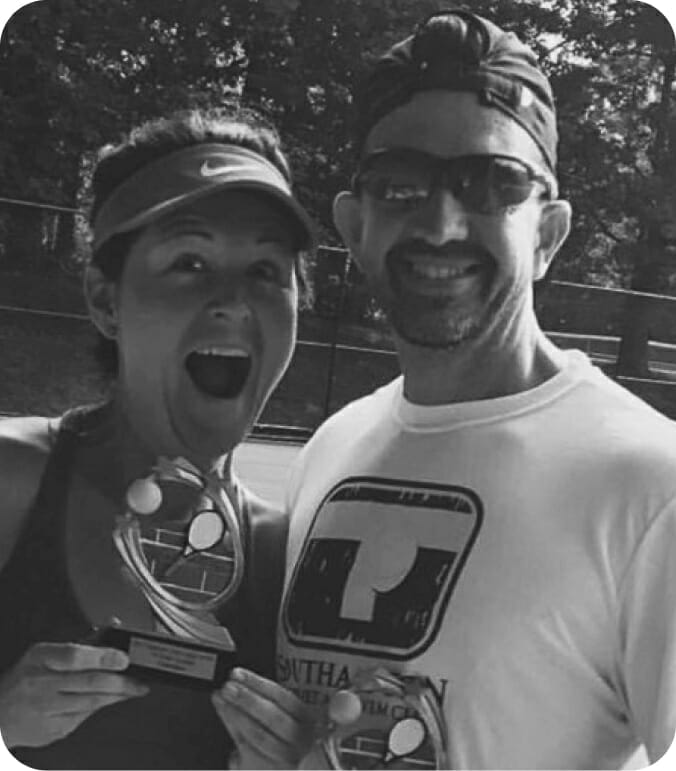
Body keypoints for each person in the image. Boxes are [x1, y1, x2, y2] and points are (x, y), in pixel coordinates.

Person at [230, 8, 676, 770]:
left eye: (491, 183)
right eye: (399, 184)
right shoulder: (332, 449)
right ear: (353, 224)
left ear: (548, 233)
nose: (440, 222)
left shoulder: (648, 483)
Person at [0, 106, 316, 769]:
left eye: (265, 269)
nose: (233, 298)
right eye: (190, 260)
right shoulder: (14, 479)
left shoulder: (288, 553)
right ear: (105, 299)